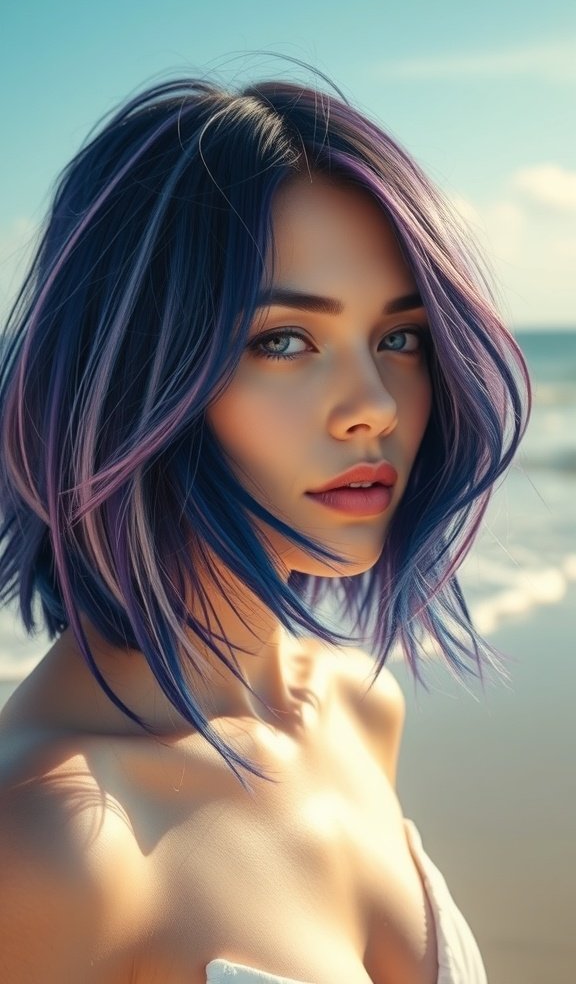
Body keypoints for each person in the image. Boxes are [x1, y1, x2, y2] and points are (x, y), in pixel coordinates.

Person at [0, 61, 530, 984]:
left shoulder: (360, 707)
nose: (375, 407)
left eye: (398, 337)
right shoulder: (54, 841)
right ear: (132, 374)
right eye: (284, 340)